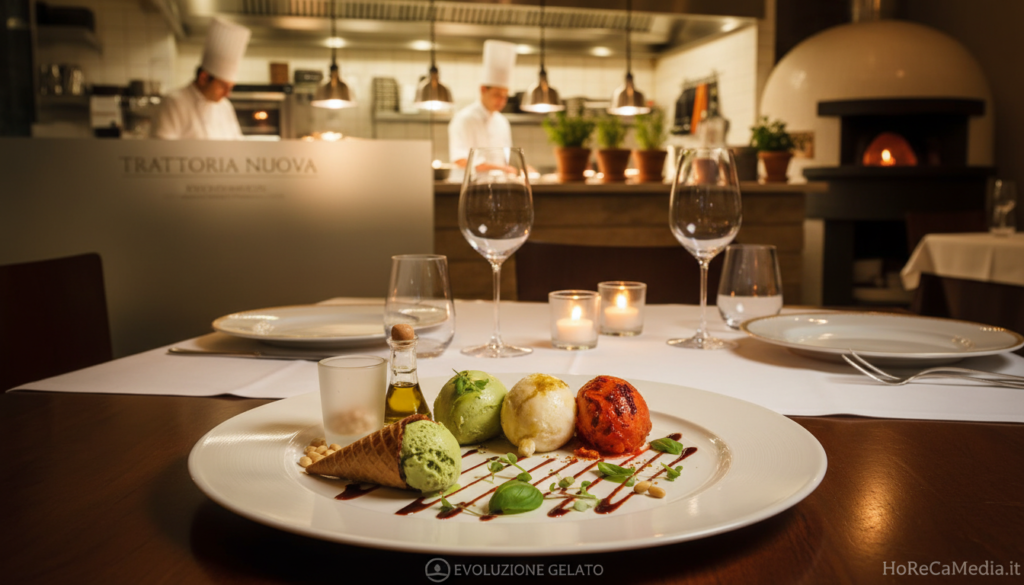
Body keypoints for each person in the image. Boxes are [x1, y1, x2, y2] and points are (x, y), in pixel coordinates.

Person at [152, 19, 251, 140]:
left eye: (230, 88)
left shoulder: (225, 106)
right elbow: (161, 149)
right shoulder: (173, 102)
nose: (227, 94)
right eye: (223, 86)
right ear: (204, 78)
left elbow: (238, 143)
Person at [447, 40, 517, 181]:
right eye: (497, 95)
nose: (502, 101)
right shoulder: (464, 118)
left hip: (498, 187)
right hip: (467, 187)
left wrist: (520, 168)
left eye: (505, 96)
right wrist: (500, 168)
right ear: (483, 90)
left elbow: (507, 159)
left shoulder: (502, 122)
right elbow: (459, 159)